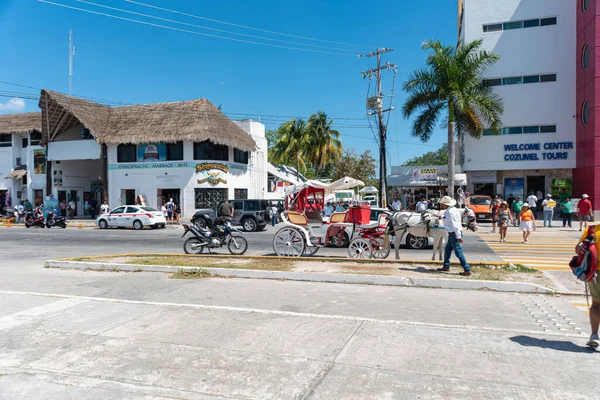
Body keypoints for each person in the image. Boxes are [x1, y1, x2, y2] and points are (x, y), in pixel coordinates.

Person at [575, 225, 600, 349]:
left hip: (596, 273)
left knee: (596, 304)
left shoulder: (592, 230)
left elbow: (578, 250)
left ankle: (594, 335)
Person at [436, 196, 471, 276]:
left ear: (445, 204)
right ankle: (446, 266)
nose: (441, 205)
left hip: (454, 234)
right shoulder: (453, 210)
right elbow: (449, 218)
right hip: (453, 234)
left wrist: (458, 237)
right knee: (447, 250)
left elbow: (455, 224)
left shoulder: (450, 212)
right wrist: (442, 217)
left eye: (442, 204)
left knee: (458, 253)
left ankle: (467, 269)